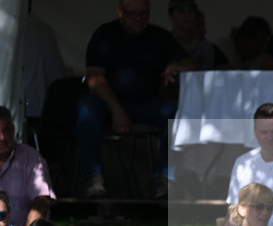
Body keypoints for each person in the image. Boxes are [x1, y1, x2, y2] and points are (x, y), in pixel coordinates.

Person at [77, 0, 196, 199]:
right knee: (86, 107)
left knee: (178, 112)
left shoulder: (159, 36)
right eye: (132, 14)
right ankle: (92, 177)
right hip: (108, 103)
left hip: (146, 104)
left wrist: (177, 66)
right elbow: (94, 78)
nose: (138, 18)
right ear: (120, 11)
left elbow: (192, 64)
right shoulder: (105, 35)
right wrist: (116, 110)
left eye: (144, 13)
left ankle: (163, 178)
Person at [0, 105, 55, 226]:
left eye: (6, 131)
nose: (2, 138)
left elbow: (42, 200)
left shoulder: (31, 159)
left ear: (13, 130)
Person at [168, 0, 229, 70]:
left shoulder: (205, 48)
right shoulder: (163, 43)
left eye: (191, 10)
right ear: (171, 15)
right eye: (181, 11)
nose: (187, 15)